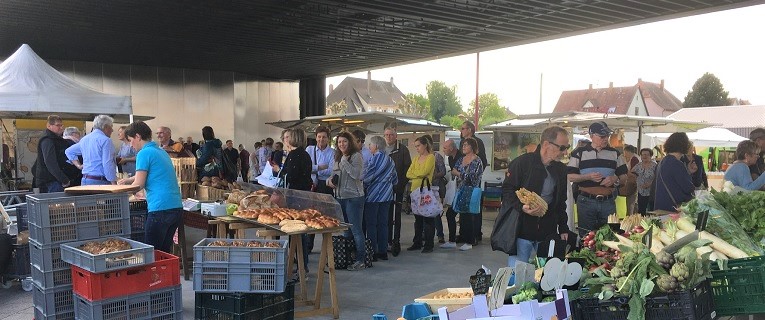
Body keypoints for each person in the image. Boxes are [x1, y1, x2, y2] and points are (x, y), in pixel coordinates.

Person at [499, 126, 570, 268]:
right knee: (517, 274)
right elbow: (507, 190)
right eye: (562, 148)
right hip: (522, 228)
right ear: (546, 145)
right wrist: (522, 207)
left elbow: (561, 201)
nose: (565, 152)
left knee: (547, 274)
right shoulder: (522, 163)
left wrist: (563, 227)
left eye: (567, 147)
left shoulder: (561, 169)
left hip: (547, 230)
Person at [117, 121, 182, 253]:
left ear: (138, 136)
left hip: (160, 209)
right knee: (163, 253)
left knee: (151, 253)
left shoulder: (144, 153)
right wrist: (128, 180)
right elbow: (147, 174)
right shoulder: (160, 151)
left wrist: (119, 191)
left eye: (130, 140)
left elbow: (139, 184)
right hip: (175, 207)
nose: (131, 145)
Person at [567, 121, 627, 236]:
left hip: (608, 201)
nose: (605, 139)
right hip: (586, 201)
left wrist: (615, 179)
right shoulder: (579, 153)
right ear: (591, 136)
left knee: (610, 235)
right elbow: (569, 176)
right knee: (586, 237)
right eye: (602, 136)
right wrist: (587, 176)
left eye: (607, 136)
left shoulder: (615, 153)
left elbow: (624, 177)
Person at [275, 128, 313, 271]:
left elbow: (290, 176)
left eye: (288, 137)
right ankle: (300, 263)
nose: (285, 140)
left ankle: (302, 266)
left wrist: (280, 172)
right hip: (302, 195)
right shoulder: (304, 154)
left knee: (297, 232)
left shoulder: (295, 155)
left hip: (296, 197)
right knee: (298, 232)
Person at [327, 131, 366, 271]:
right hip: (340, 197)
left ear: (350, 142)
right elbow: (333, 174)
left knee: (356, 229)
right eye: (339, 142)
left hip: (354, 197)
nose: (342, 144)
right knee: (346, 230)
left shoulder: (356, 156)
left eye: (344, 141)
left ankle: (361, 259)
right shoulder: (337, 157)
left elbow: (357, 175)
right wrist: (329, 181)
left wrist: (344, 161)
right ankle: (349, 257)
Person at [363, 136, 397, 261]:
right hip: (387, 195)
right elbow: (395, 179)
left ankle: (373, 252)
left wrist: (363, 184)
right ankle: (383, 251)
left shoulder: (374, 160)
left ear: (376, 146)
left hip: (373, 196)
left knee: (371, 224)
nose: (369, 147)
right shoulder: (390, 160)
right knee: (384, 224)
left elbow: (368, 178)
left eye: (370, 144)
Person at [451, 137, 486, 251]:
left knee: (469, 216)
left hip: (471, 191)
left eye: (466, 145)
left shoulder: (477, 160)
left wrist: (459, 174)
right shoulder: (461, 159)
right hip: (460, 190)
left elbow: (472, 178)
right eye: (463, 145)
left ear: (472, 146)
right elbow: (453, 170)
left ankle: (469, 241)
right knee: (457, 214)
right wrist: (461, 174)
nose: (464, 147)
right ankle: (455, 239)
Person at [66, 115, 118, 185]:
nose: (112, 130)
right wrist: (113, 183)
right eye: (111, 127)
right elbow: (108, 163)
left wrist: (79, 166)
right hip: (100, 181)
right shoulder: (106, 140)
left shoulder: (85, 139)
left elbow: (69, 151)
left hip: (85, 179)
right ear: (105, 127)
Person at [406, 135, 436, 253]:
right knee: (417, 218)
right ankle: (417, 242)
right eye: (416, 146)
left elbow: (425, 172)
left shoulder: (430, 157)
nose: (417, 148)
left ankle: (429, 243)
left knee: (427, 218)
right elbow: (408, 173)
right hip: (415, 190)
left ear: (425, 145)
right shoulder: (415, 159)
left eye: (418, 146)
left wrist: (416, 173)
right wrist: (417, 174)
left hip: (425, 191)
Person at [384, 126, 411, 257]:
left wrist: (401, 184)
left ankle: (396, 240)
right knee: (386, 215)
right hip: (384, 189)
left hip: (398, 188)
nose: (389, 137)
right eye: (387, 135)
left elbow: (408, 168)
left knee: (397, 215)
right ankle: (387, 240)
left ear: (396, 136)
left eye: (391, 135)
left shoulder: (402, 150)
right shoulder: (382, 149)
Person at [458, 121, 487, 242]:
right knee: (463, 207)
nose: (461, 131)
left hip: (473, 182)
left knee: (473, 207)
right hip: (462, 182)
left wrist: (475, 174)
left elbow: (483, 161)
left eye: (463, 128)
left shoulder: (477, 142)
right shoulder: (461, 142)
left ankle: (475, 234)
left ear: (470, 129)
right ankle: (463, 233)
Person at [653, 132, 696, 211]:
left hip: (661, 206)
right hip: (672, 209)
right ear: (683, 145)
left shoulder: (663, 161)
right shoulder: (676, 164)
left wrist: (688, 172)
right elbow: (688, 187)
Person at [33, 115, 72, 192]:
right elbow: (50, 162)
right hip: (51, 181)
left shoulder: (54, 139)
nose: (61, 127)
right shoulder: (48, 140)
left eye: (62, 125)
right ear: (49, 126)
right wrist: (63, 179)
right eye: (58, 125)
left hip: (54, 181)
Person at [440, 139, 460, 248]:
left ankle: (466, 240)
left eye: (445, 148)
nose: (443, 150)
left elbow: (459, 172)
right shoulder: (450, 158)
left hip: (462, 189)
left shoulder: (460, 157)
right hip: (456, 188)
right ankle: (453, 240)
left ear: (451, 148)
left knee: (453, 214)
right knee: (450, 214)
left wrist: (455, 172)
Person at [307, 126, 335, 195]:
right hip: (311, 184)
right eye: (319, 137)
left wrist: (313, 170)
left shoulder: (332, 152)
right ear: (316, 138)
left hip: (325, 185)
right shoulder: (309, 149)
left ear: (328, 139)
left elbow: (331, 171)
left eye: (324, 137)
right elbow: (305, 168)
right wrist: (319, 167)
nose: (321, 139)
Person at [632, 148, 657, 215]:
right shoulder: (638, 165)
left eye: (646, 155)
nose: (644, 156)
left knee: (651, 210)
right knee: (641, 210)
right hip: (641, 192)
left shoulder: (655, 166)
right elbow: (631, 173)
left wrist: (650, 183)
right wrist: (635, 179)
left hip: (651, 192)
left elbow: (658, 177)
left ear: (651, 156)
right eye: (642, 155)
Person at [622, 144, 639, 215]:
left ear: (629, 152)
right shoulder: (633, 158)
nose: (624, 154)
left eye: (625, 152)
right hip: (633, 184)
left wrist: (625, 171)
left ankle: (630, 219)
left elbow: (634, 173)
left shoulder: (634, 159)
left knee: (631, 205)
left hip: (633, 185)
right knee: (631, 204)